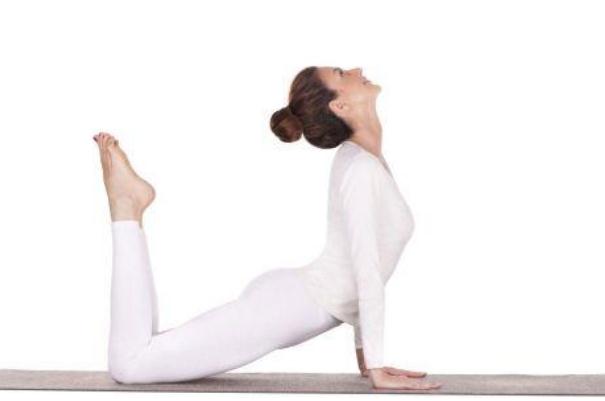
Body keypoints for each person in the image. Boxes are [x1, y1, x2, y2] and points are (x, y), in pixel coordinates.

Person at [92, 66, 441, 390]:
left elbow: (365, 263)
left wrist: (367, 356)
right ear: (340, 106)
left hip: (294, 301)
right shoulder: (361, 169)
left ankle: (129, 206)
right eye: (341, 73)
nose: (356, 70)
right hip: (287, 310)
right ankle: (127, 207)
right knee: (131, 364)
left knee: (150, 352)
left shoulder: (365, 162)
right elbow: (366, 270)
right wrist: (376, 365)